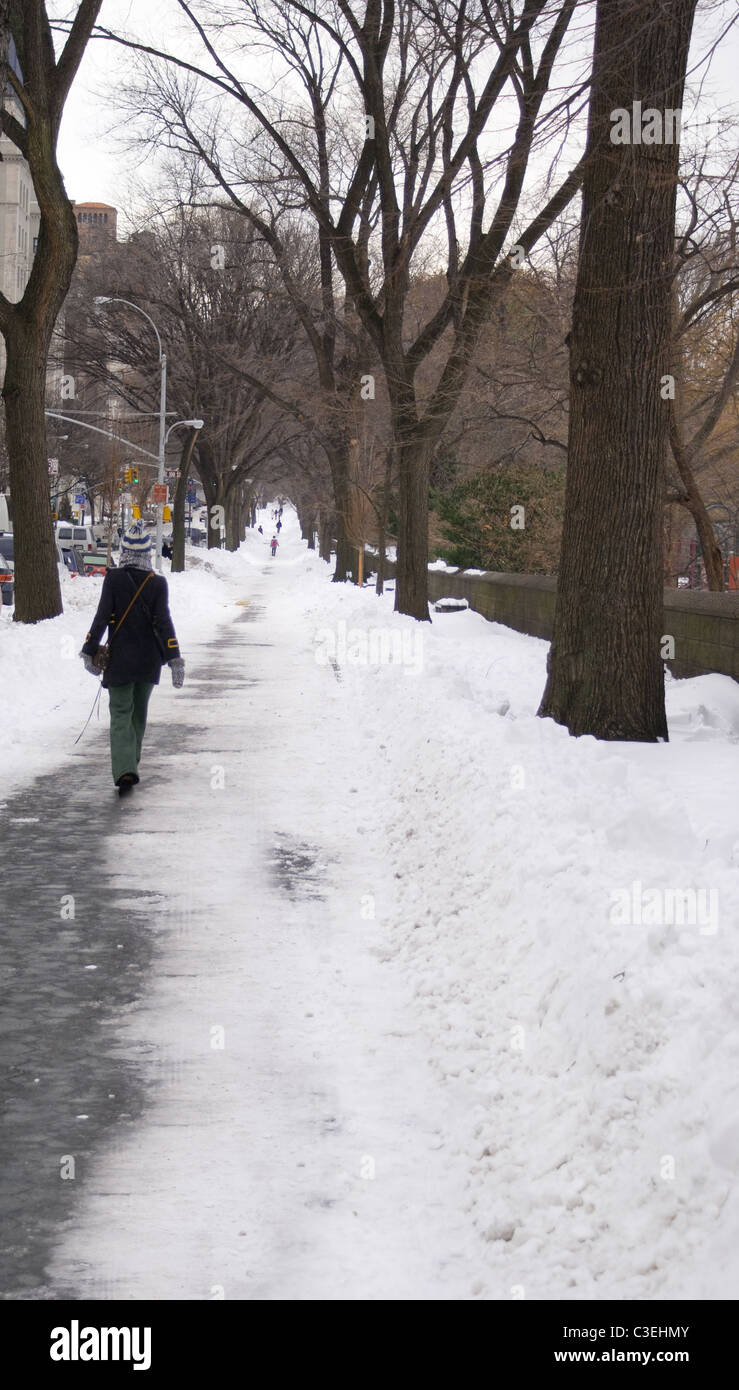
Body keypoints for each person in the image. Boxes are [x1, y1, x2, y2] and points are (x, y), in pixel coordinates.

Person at [80, 521, 184, 797]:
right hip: (149, 661)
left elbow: (102, 617)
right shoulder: (158, 583)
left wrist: (89, 649)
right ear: (148, 553)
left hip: (121, 662)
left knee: (121, 714)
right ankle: (130, 763)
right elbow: (164, 622)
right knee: (139, 714)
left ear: (124, 551)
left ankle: (125, 767)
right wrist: (174, 656)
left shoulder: (113, 580)